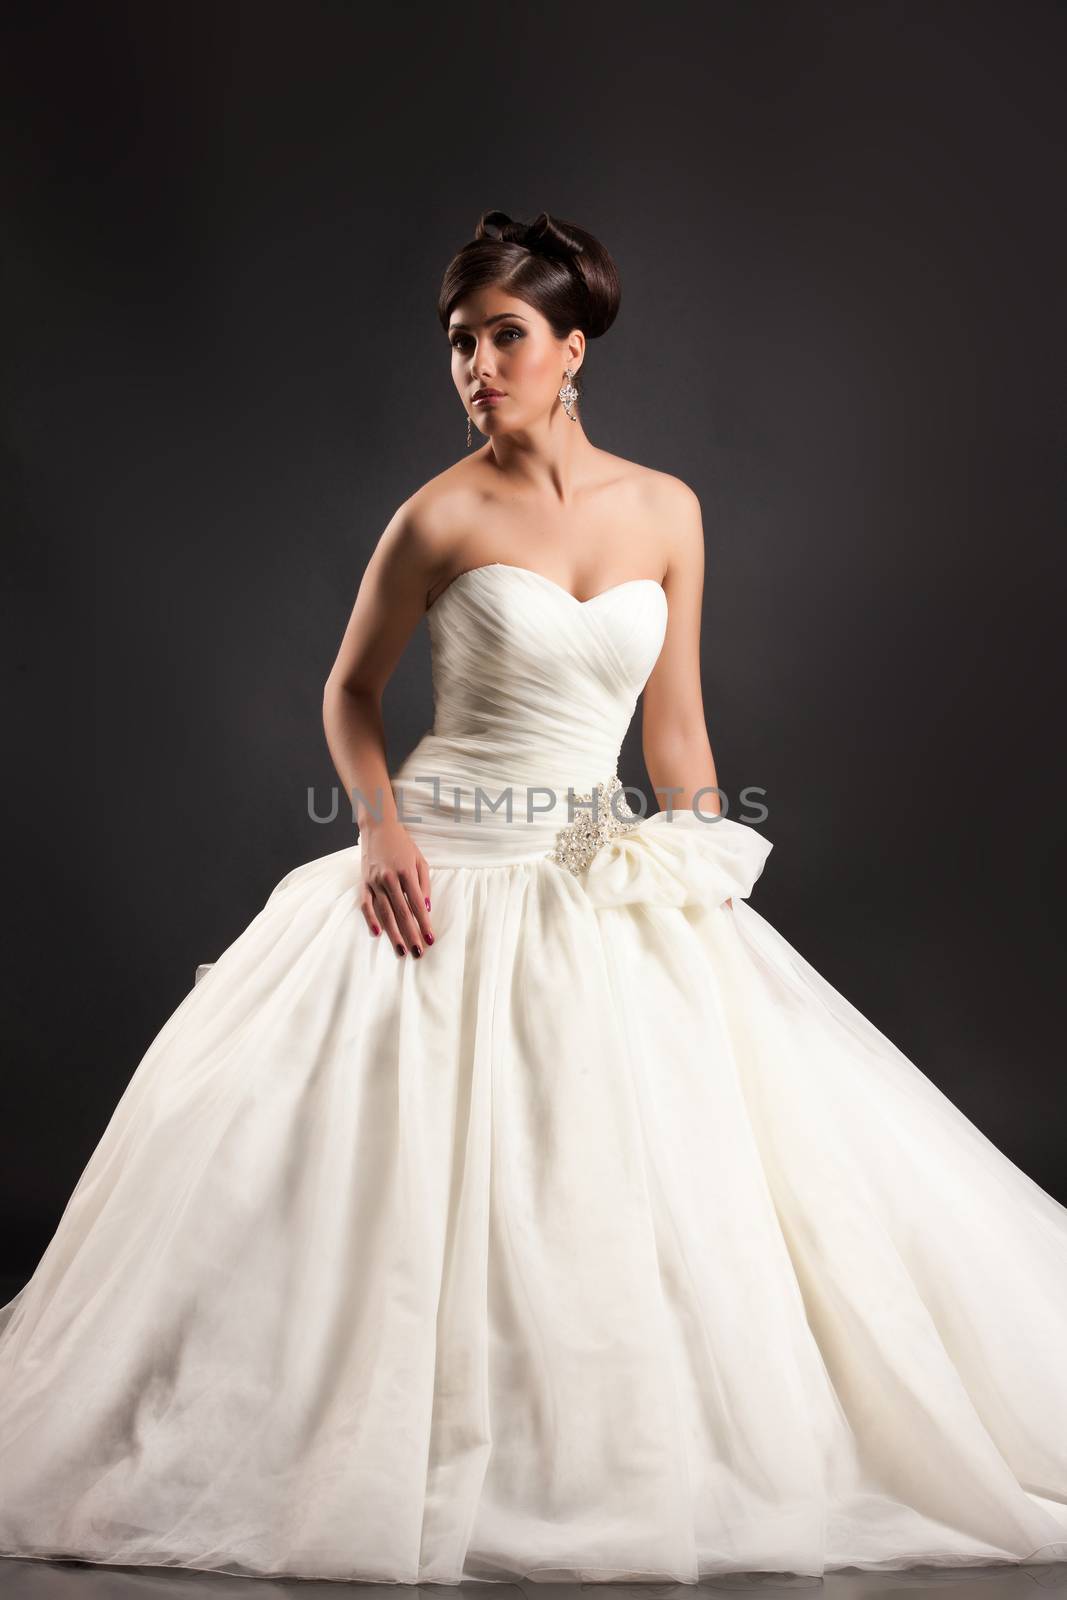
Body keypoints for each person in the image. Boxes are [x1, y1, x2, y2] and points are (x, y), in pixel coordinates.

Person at [1, 207, 1066, 1589]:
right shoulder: (437, 514)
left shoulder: (669, 508)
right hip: (439, 866)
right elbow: (349, 692)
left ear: (574, 349)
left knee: (660, 1181)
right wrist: (379, 834)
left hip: (596, 866)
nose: (477, 366)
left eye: (505, 336)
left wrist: (697, 876)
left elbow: (676, 735)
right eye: (459, 341)